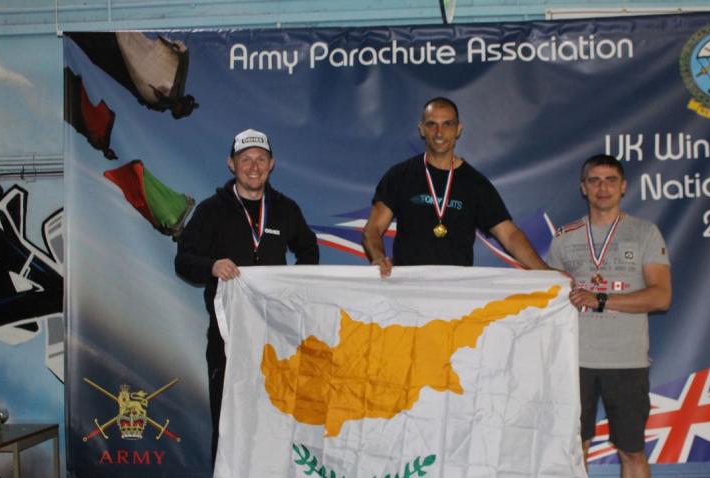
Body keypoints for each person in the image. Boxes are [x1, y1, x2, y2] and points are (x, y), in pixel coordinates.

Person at [174, 128, 319, 465]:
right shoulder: (211, 211)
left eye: (261, 159)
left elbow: (309, 249)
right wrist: (212, 266)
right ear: (231, 164)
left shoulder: (285, 209)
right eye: (245, 160)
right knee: (228, 421)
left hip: (277, 337)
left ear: (272, 164)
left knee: (276, 419)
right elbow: (183, 260)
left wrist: (293, 285)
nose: (254, 167)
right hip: (228, 337)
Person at [546, 154, 671, 478]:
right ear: (583, 188)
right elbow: (549, 298)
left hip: (626, 360)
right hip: (574, 360)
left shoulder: (644, 233)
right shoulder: (564, 236)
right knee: (575, 450)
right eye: (595, 181)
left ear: (623, 186)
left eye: (610, 180)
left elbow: (661, 297)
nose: (603, 188)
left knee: (632, 451)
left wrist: (600, 299)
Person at [362, 97, 547, 275]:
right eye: (431, 124)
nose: (439, 132)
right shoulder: (400, 176)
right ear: (421, 129)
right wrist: (378, 258)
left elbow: (510, 235)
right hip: (406, 286)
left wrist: (546, 272)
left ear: (458, 129)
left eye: (447, 124)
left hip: (456, 290)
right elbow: (373, 229)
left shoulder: (476, 184)